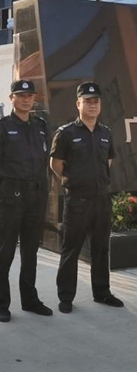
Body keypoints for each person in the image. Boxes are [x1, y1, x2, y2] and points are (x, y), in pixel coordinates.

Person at [0, 79, 53, 323]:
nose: (25, 100)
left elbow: (44, 161)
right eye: (20, 96)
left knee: (31, 252)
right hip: (11, 198)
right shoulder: (2, 127)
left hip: (35, 197)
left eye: (29, 96)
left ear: (34, 99)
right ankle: (1, 305)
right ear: (11, 98)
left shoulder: (40, 126)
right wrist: (5, 188)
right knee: (5, 253)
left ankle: (30, 300)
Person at [50, 82, 124, 314]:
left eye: (96, 101)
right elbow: (56, 164)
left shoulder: (106, 133)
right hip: (77, 201)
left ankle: (102, 292)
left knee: (101, 249)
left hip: (101, 199)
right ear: (78, 104)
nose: (92, 105)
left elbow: (108, 161)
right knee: (71, 250)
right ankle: (66, 297)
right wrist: (76, 181)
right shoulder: (66, 133)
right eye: (87, 101)